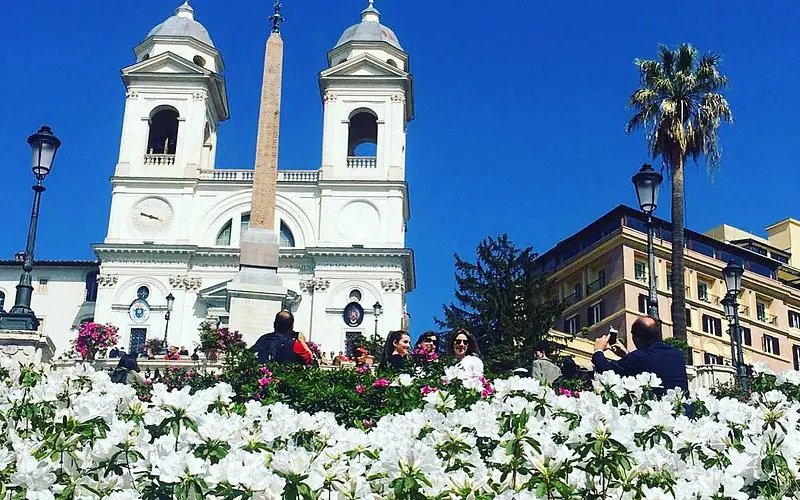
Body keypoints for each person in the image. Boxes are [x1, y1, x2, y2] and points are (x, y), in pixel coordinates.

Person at [593, 316, 689, 396]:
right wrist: (627, 354)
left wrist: (598, 350)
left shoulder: (638, 357)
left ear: (636, 338)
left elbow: (605, 370)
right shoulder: (677, 354)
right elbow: (650, 364)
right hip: (683, 413)